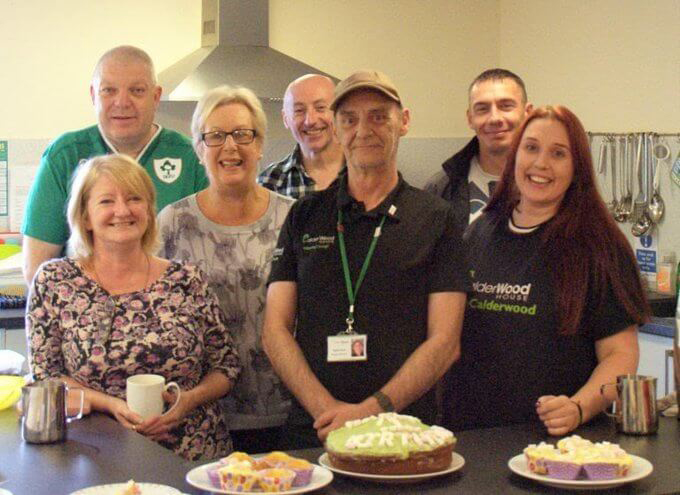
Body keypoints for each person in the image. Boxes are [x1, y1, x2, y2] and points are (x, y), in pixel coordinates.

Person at [262, 70, 469, 449]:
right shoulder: (305, 216)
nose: (364, 129)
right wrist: (326, 410)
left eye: (378, 116)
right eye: (350, 119)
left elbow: (445, 341)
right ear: (337, 130)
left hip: (403, 434)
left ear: (403, 122)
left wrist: (370, 412)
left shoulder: (436, 219)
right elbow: (275, 328)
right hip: (313, 432)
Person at [444, 105, 649, 436]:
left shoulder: (599, 245)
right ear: (515, 156)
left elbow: (620, 354)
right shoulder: (480, 231)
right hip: (471, 437)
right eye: (531, 148)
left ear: (576, 169)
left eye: (558, 154)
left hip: (559, 444)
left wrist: (579, 407)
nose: (541, 164)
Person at [26, 154, 240, 461]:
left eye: (134, 198)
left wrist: (189, 400)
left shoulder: (186, 279)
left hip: (192, 456)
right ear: (84, 216)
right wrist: (110, 404)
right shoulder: (55, 281)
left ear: (150, 211)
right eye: (106, 201)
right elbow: (46, 376)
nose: (122, 211)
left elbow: (227, 366)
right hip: (95, 455)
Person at [158, 85, 295, 453]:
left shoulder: (294, 218)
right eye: (215, 136)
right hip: (200, 415)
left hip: (288, 409)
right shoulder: (172, 223)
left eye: (242, 134)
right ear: (199, 147)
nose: (230, 147)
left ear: (260, 144)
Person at [21, 45, 208, 284]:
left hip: (170, 311)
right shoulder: (65, 155)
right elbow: (36, 268)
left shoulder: (192, 157)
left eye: (137, 91)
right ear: (93, 95)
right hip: (83, 311)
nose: (122, 102)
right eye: (108, 90)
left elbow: (213, 250)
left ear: (156, 96)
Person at [424, 68, 532, 228]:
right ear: (470, 118)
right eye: (482, 109)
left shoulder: (550, 181)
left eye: (506, 106)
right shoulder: (441, 188)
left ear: (528, 113)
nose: (495, 118)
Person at [257, 74, 344, 198]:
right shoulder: (269, 183)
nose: (310, 120)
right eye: (299, 110)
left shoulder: (367, 171)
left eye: (320, 108)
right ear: (285, 119)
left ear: (339, 112)